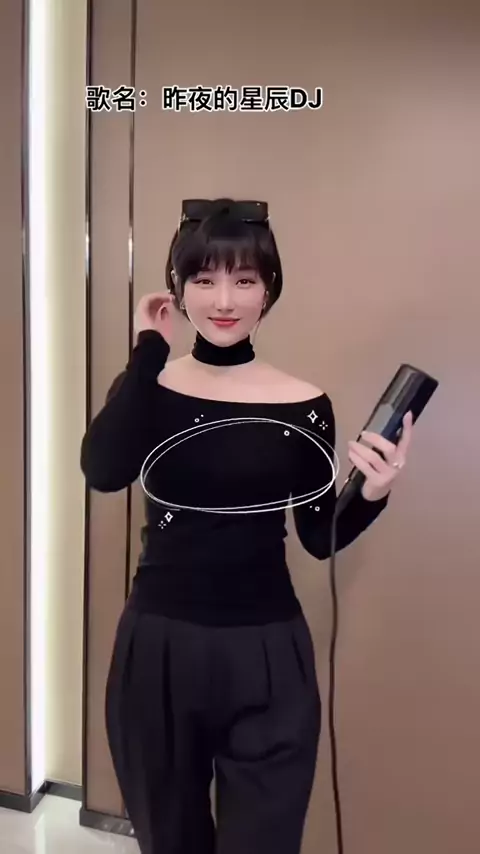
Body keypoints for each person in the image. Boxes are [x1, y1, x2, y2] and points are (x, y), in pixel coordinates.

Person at [80, 198, 413, 854]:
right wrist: (148, 351)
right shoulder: (150, 386)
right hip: (160, 649)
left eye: (244, 279)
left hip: (268, 653)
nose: (224, 300)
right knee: (170, 840)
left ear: (269, 289)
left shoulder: (304, 403)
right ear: (178, 289)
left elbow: (317, 537)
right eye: (204, 279)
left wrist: (371, 493)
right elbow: (104, 469)